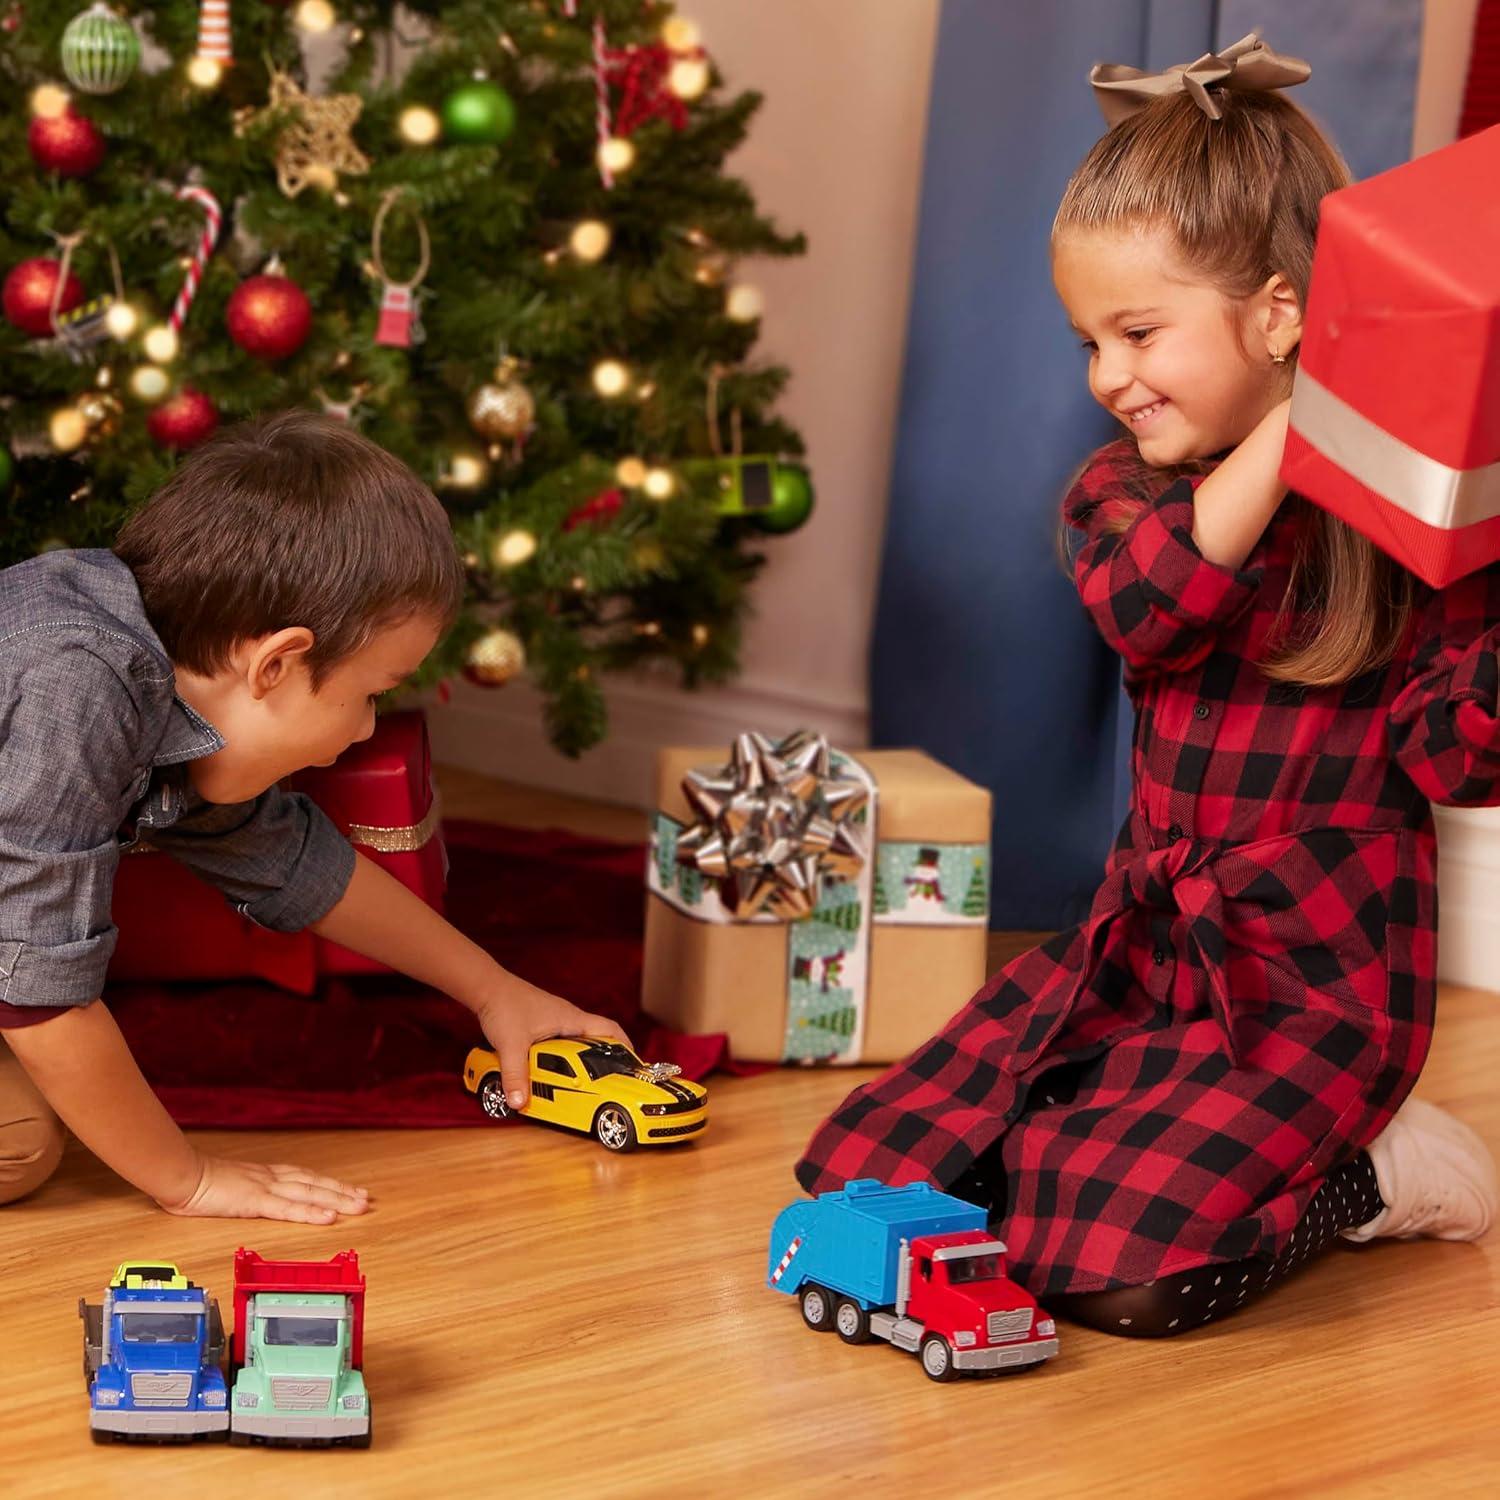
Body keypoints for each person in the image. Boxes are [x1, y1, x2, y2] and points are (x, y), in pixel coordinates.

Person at [794, 35, 1499, 1337]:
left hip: (1317, 994)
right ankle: (1141, 1142)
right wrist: (1305, 419)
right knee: (871, 1177)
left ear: (1280, 314)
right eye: (1089, 341)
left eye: (1136, 333)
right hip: (1152, 949)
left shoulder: (1402, 531)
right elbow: (1149, 605)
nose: (1106, 377)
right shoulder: (1122, 492)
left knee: (1127, 1278)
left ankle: (1376, 1172)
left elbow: (1459, 760)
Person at [0, 409, 629, 1221]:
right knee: (20, 1142)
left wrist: (494, 991)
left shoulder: (169, 682)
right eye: (370, 695)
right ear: (276, 664)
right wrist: (188, 1177)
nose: (367, 728)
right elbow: (41, 992)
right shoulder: (78, 683)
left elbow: (296, 863)